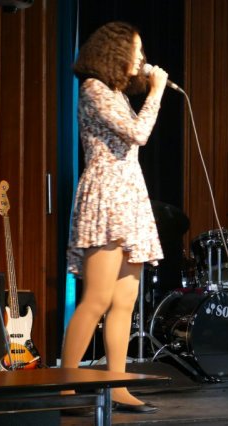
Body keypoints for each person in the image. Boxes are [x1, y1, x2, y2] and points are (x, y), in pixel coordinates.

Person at [61, 21, 168, 414]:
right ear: (115, 51)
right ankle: (65, 387)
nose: (141, 59)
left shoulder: (118, 94)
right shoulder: (94, 89)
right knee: (98, 297)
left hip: (130, 196)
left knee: (125, 299)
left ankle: (117, 386)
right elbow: (138, 134)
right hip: (105, 196)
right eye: (135, 51)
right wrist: (156, 93)